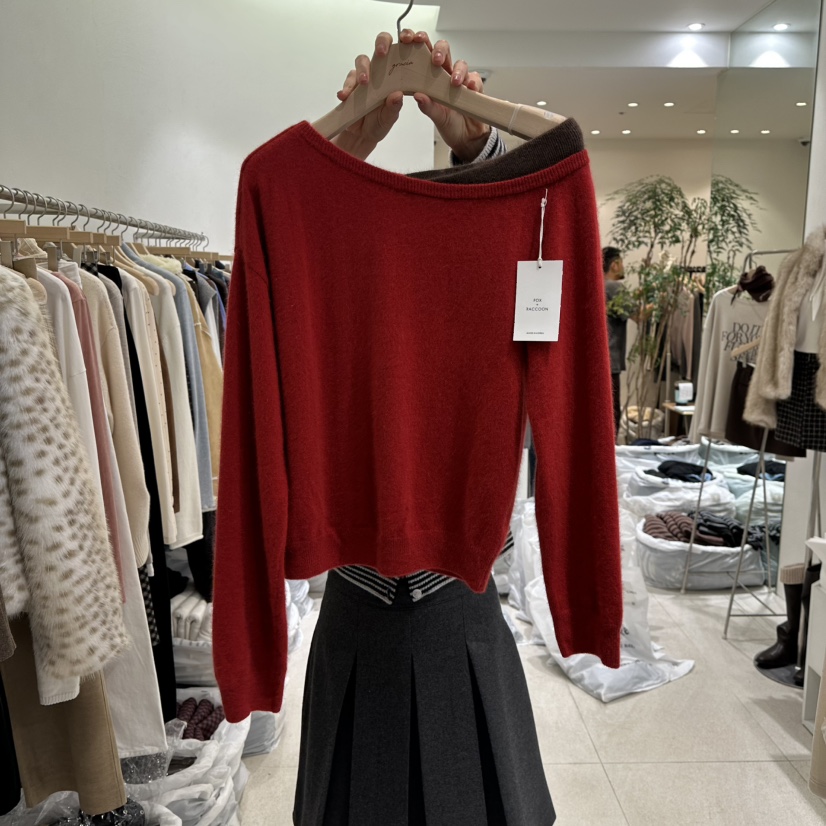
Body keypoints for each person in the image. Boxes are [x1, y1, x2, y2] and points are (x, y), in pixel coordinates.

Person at [292, 29, 556, 826]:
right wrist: (343, 157)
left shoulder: (505, 244)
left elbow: (538, 229)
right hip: (354, 600)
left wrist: (477, 152)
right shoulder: (307, 245)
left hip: (460, 607)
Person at [603, 246, 629, 435]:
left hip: (600, 358)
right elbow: (640, 315)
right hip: (611, 360)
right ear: (614, 265)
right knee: (613, 411)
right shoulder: (615, 287)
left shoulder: (598, 285)